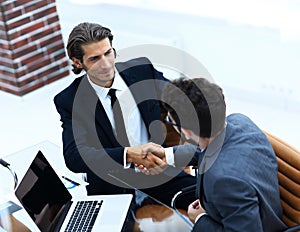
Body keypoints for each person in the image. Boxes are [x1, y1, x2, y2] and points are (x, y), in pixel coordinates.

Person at [53, 22, 196, 210]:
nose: (105, 65)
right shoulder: (70, 100)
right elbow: (75, 157)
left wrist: (180, 150)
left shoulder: (141, 71)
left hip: (159, 169)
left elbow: (181, 99)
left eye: (108, 53)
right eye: (95, 58)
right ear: (78, 62)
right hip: (112, 185)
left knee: (209, 199)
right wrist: (128, 155)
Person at [160, 77, 287, 231]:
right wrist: (166, 155)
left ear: (186, 131)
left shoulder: (223, 181)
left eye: (169, 120)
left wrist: (200, 219)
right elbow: (206, 148)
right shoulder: (240, 121)